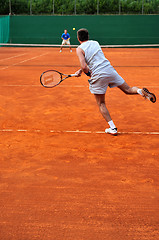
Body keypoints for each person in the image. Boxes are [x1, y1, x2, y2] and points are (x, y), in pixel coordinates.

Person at [75, 28, 156, 135]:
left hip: (98, 75)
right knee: (128, 89)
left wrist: (87, 73)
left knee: (101, 103)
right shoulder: (95, 43)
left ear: (78, 38)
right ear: (88, 36)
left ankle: (112, 128)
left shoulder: (79, 49)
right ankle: (141, 91)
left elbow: (84, 66)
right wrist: (80, 70)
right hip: (109, 70)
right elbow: (92, 60)